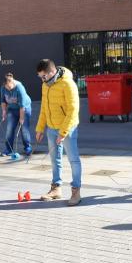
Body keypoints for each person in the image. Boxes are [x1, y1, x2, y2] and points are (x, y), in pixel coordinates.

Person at [35, 59, 82, 206]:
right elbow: (44, 107)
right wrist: (40, 128)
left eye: (43, 76)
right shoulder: (45, 85)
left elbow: (73, 110)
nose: (42, 80)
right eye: (40, 77)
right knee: (54, 159)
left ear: (52, 72)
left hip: (68, 128)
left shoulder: (68, 84)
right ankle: (56, 188)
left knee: (73, 159)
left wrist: (63, 132)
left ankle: (76, 191)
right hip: (51, 127)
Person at [0, 73, 32, 156]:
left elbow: (22, 106)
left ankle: (27, 148)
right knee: (9, 129)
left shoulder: (19, 88)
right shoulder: (3, 88)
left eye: (9, 87)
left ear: (12, 82)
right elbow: (3, 101)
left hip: (24, 109)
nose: (8, 88)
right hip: (12, 109)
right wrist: (4, 112)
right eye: (6, 87)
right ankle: (9, 149)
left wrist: (21, 119)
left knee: (24, 129)